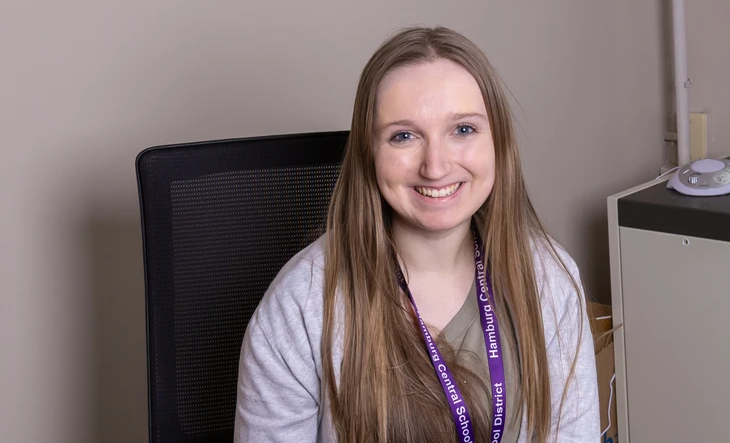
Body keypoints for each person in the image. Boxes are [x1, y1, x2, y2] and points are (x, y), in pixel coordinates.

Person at [234, 26, 599, 442]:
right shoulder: (301, 305)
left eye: (463, 129)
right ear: (369, 154)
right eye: (403, 136)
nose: (436, 166)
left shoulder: (546, 278)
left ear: (498, 141)